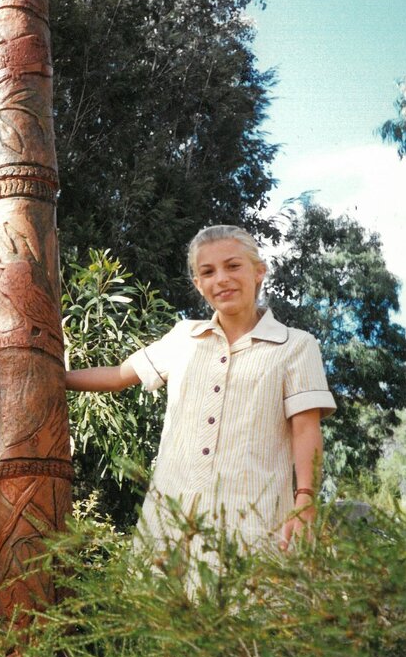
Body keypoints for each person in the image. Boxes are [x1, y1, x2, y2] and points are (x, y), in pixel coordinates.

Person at [66, 224, 336, 563]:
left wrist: (306, 499)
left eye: (233, 265)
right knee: (158, 614)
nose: (221, 278)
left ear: (259, 272)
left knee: (243, 611)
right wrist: (53, 377)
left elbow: (306, 428)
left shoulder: (295, 345)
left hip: (253, 521)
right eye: (207, 272)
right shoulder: (184, 337)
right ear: (198, 285)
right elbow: (117, 376)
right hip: (168, 521)